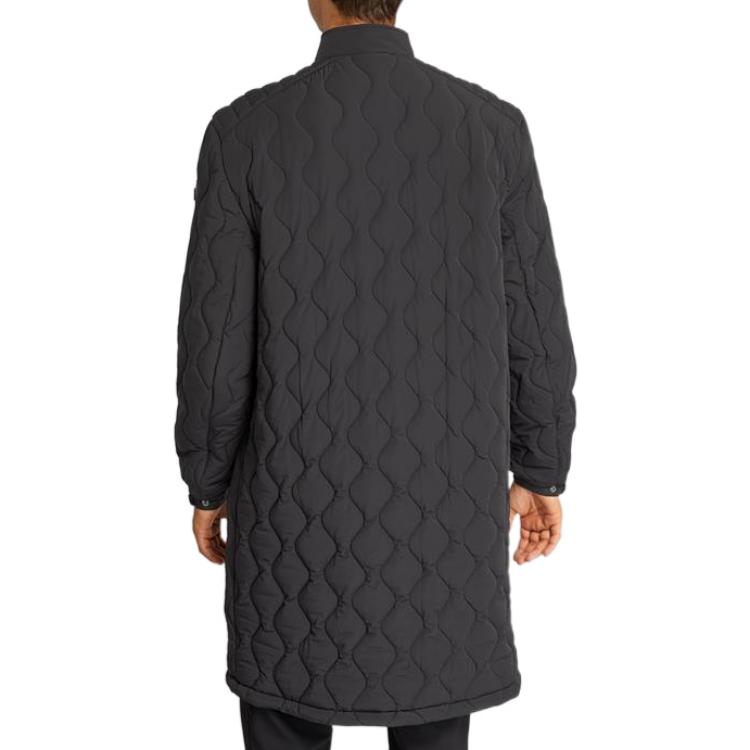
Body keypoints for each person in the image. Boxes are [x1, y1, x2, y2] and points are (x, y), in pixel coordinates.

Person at [175, 0, 576, 747]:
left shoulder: (244, 130)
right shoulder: (491, 127)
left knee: (284, 693)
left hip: (290, 506)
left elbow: (214, 335)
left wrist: (208, 480)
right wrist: (541, 469)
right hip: (446, 509)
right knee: (436, 694)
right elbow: (535, 319)